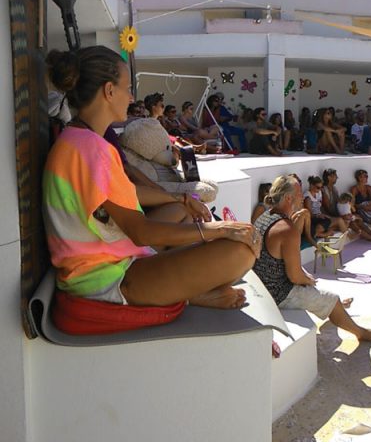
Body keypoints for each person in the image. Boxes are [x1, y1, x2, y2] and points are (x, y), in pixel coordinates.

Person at [43, 45, 257, 312]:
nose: (131, 97)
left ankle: (185, 290)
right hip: (105, 279)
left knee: (180, 212)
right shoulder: (94, 150)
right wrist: (219, 229)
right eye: (127, 88)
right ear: (109, 91)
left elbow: (123, 194)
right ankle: (188, 294)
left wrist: (180, 197)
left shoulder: (76, 139)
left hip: (101, 261)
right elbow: (141, 232)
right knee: (239, 253)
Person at [252, 175, 371, 341]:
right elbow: (294, 276)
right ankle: (361, 333)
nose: (302, 197)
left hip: (263, 286)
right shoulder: (286, 229)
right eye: (298, 194)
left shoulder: (264, 217)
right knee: (332, 299)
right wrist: (307, 281)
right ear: (289, 198)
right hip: (278, 294)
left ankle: (331, 307)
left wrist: (305, 278)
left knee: (314, 286)